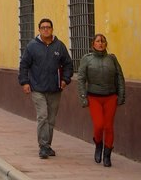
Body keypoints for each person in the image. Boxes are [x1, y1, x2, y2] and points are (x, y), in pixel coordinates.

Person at [18, 17, 74, 159]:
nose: (46, 30)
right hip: (37, 88)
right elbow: (24, 65)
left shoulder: (59, 46)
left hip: (55, 88)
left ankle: (47, 145)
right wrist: (24, 82)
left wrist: (65, 80)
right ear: (39, 30)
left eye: (48, 27)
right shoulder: (32, 46)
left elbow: (68, 64)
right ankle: (43, 146)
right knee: (42, 115)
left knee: (51, 118)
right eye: (43, 27)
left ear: (52, 29)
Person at [77, 33, 126, 167]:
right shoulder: (87, 59)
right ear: (93, 44)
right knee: (99, 125)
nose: (100, 43)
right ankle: (98, 144)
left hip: (110, 96)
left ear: (106, 44)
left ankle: (107, 155)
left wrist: (121, 96)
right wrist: (83, 97)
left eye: (103, 41)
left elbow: (120, 78)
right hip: (94, 97)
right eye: (98, 41)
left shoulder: (112, 59)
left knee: (108, 126)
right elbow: (81, 79)